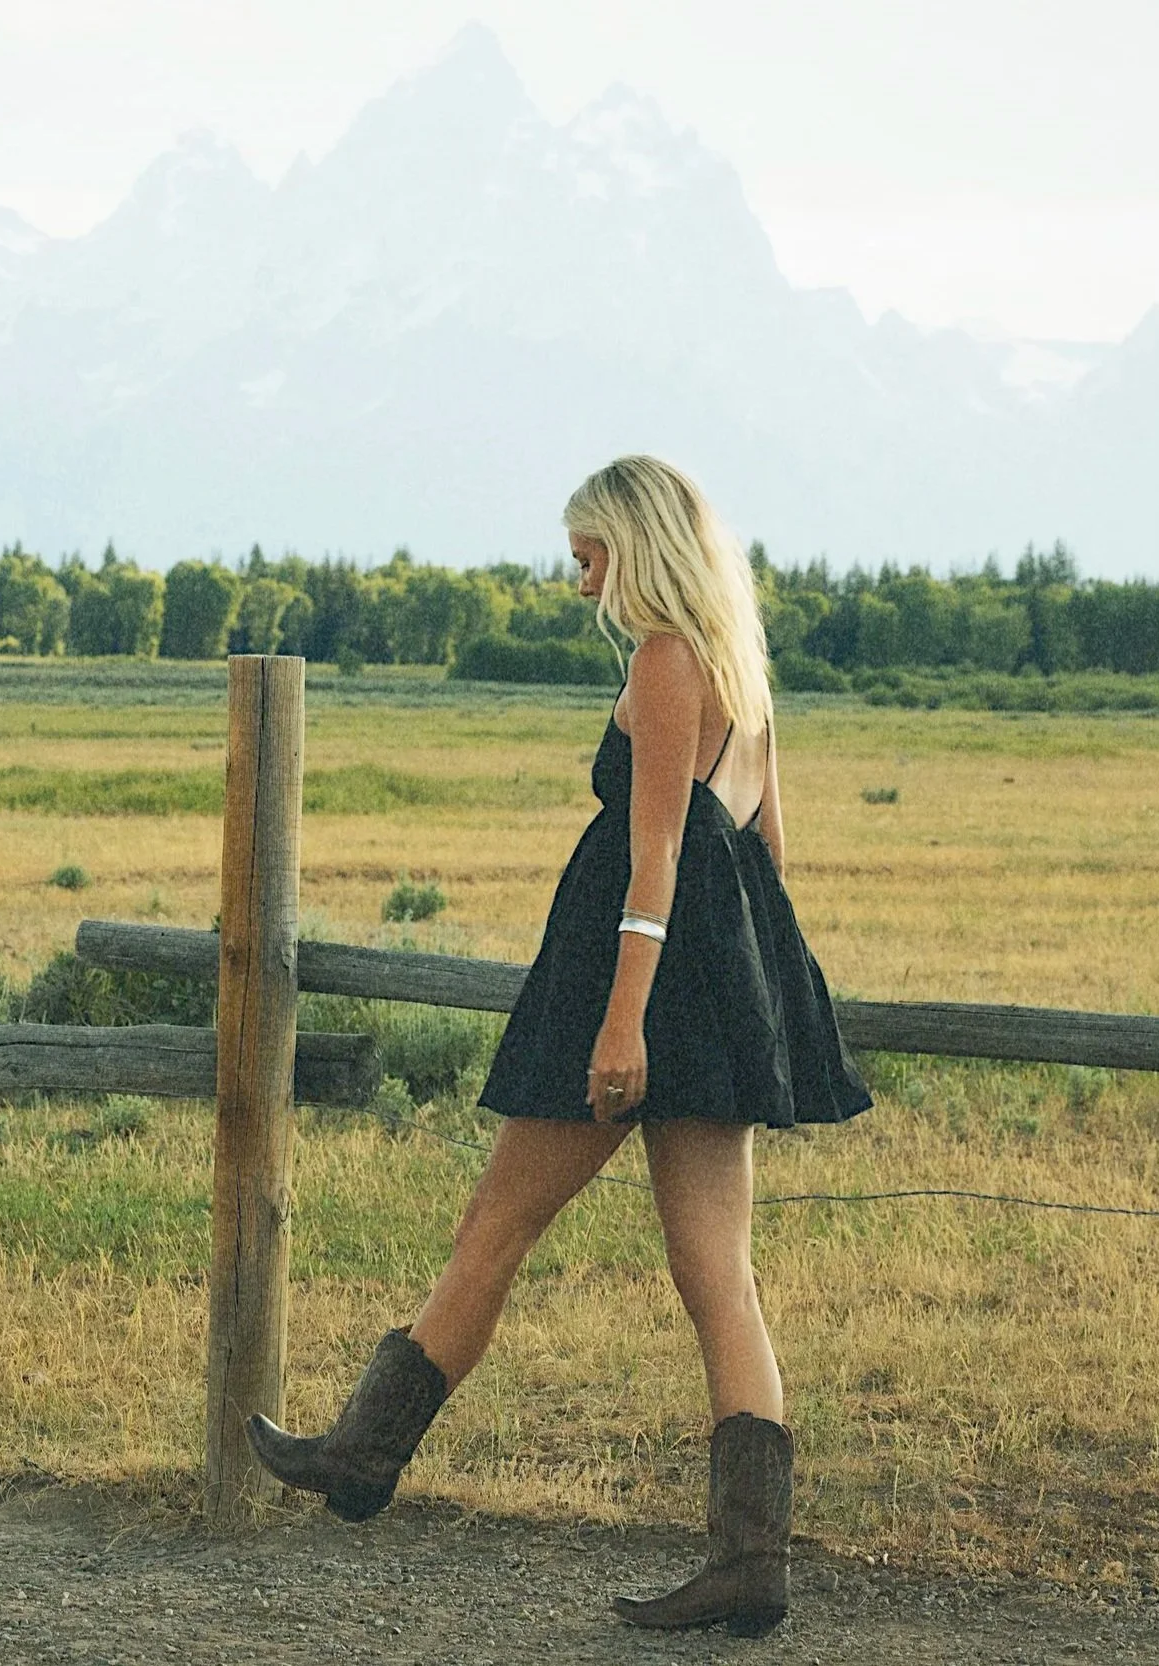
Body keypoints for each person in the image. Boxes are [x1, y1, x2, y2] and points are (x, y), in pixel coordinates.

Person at [246, 455, 872, 1637]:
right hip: (712, 990)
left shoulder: (666, 658)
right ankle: (750, 1564)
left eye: (586, 551)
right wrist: (753, 1008)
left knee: (500, 1224)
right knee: (715, 1278)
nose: (574, 574)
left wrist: (625, 1014)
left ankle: (362, 1458)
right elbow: (768, 862)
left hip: (632, 986)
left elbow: (656, 860)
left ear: (634, 545)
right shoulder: (742, 666)